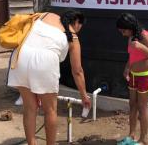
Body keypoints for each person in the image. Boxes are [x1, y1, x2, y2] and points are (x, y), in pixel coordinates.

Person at [7, 10, 91, 145]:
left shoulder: (45, 15)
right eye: (79, 26)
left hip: (21, 55)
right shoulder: (73, 37)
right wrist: (84, 95)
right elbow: (77, 71)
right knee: (50, 110)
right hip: (45, 61)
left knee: (29, 108)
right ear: (76, 22)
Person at [116, 13, 148, 145]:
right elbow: (133, 55)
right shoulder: (131, 36)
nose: (122, 34)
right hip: (134, 75)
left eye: (124, 31)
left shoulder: (145, 36)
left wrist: (142, 47)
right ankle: (131, 136)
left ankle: (143, 140)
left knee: (142, 107)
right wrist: (127, 68)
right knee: (132, 105)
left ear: (130, 27)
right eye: (121, 31)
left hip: (146, 75)